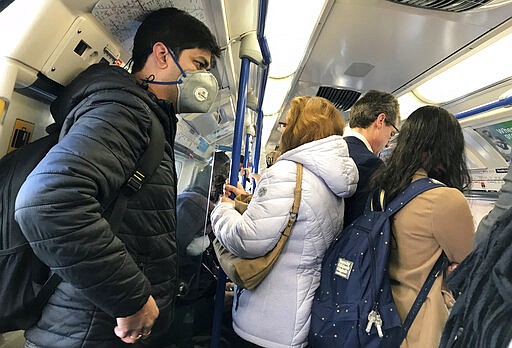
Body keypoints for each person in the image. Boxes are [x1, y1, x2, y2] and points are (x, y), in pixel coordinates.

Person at [14, 7, 221, 348]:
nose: (205, 81)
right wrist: (132, 299)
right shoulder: (126, 112)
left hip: (96, 325)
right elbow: (49, 203)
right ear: (161, 55)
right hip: (90, 329)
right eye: (199, 64)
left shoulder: (147, 117)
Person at [210, 96, 359, 347]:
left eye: (286, 124)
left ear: (301, 128)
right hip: (298, 313)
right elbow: (300, 219)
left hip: (266, 317)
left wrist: (222, 211)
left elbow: (247, 239)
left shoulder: (287, 172)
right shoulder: (330, 179)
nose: (284, 130)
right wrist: (249, 199)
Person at [370, 105, 474, 348]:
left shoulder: (382, 190)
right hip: (421, 324)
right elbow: (471, 264)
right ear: (447, 149)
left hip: (379, 316)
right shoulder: (445, 199)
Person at [342, 90, 400, 228]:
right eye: (391, 134)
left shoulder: (334, 149)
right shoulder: (371, 165)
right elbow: (362, 226)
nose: (387, 143)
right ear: (380, 120)